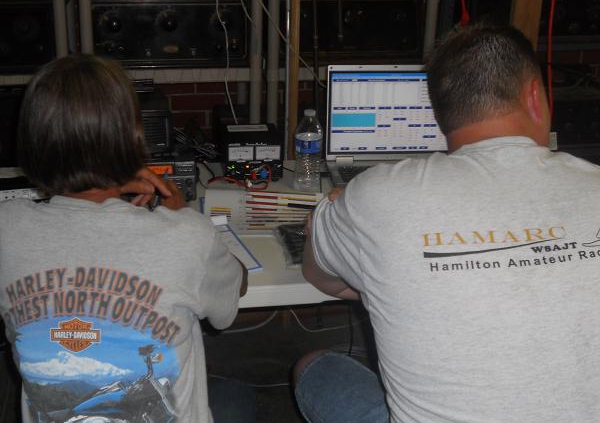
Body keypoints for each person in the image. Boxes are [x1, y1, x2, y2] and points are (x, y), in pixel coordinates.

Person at [294, 22, 600, 422]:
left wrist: (403, 284)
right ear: (534, 97)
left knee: (314, 365)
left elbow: (320, 277)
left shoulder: (375, 195)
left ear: (439, 116)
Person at [0, 54, 254, 422]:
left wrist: (101, 179)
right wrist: (181, 216)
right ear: (135, 135)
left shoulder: (6, 228)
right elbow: (231, 297)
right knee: (238, 395)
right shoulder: (187, 236)